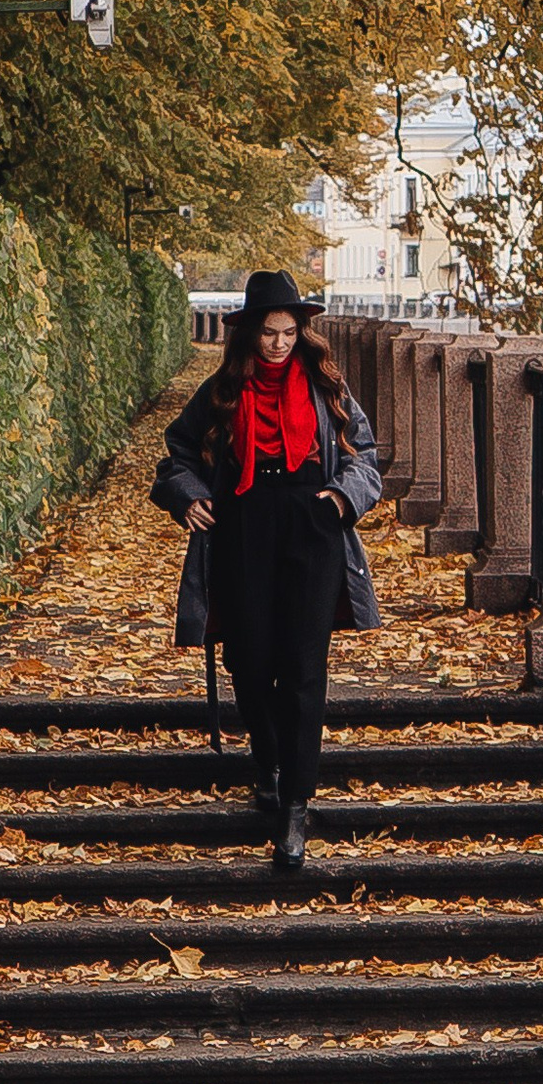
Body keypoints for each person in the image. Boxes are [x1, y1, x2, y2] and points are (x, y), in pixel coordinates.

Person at [153, 273, 383, 870]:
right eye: (268, 334)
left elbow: (367, 456)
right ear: (250, 336)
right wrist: (189, 495)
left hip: (312, 528)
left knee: (305, 668)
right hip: (243, 528)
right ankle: (269, 762)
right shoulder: (223, 390)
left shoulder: (326, 386)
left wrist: (342, 497)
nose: (279, 344)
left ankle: (295, 809)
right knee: (251, 664)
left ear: (300, 333)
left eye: (288, 333)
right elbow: (176, 453)